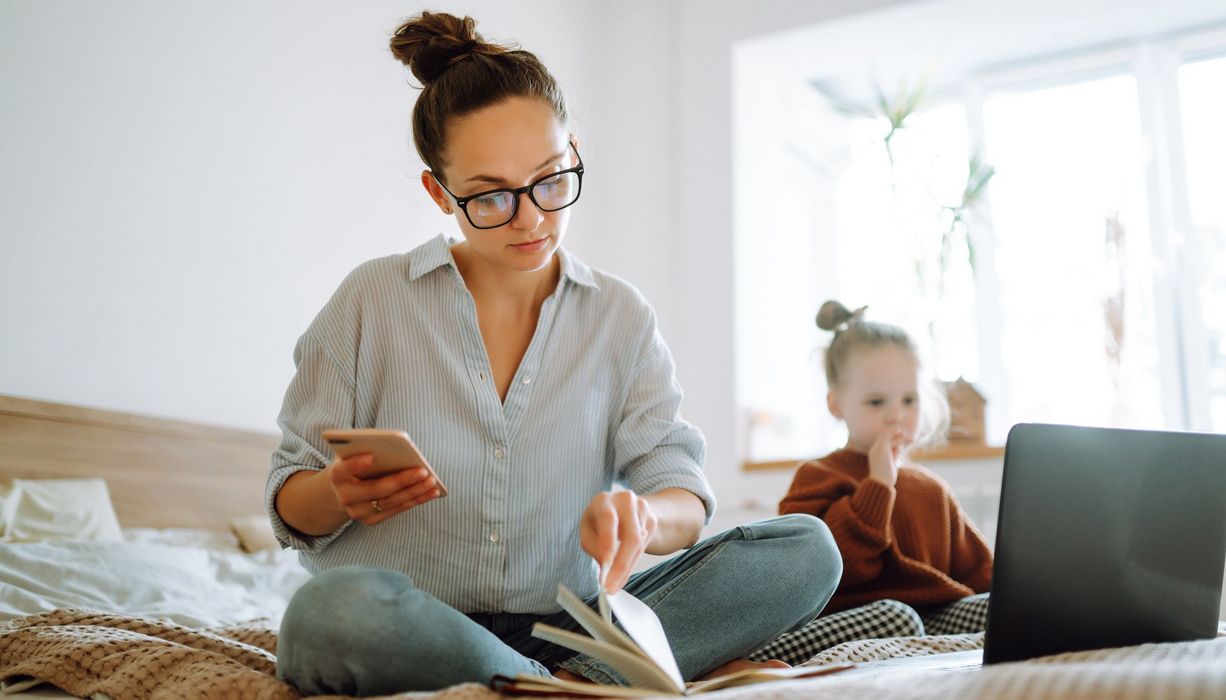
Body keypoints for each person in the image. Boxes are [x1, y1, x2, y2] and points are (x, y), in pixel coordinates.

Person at [266, 11, 842, 697]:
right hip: (418, 622)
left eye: (549, 179)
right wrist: (335, 493)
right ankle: (582, 686)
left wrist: (649, 516)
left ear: (573, 148)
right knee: (329, 618)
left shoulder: (620, 317)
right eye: (490, 197)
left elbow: (682, 487)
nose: (532, 218)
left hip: (574, 622)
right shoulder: (371, 299)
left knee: (806, 550)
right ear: (438, 193)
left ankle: (555, 680)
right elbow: (288, 503)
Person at [748, 301, 992, 667]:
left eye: (909, 400)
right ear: (836, 405)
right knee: (899, 616)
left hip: (933, 618)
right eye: (877, 402)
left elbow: (980, 574)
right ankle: (747, 659)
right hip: (854, 618)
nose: (897, 414)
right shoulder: (816, 477)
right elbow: (816, 576)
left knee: (997, 609)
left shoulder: (932, 491)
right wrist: (878, 486)